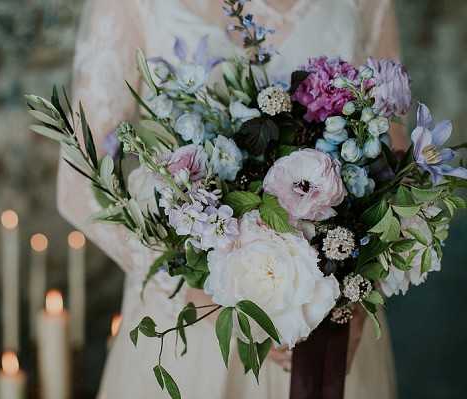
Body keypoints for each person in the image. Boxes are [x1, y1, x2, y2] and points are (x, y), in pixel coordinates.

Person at [58, 1, 400, 397]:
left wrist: (362, 293)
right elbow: (78, 180)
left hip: (328, 322)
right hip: (194, 324)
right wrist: (205, 294)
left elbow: (394, 154)